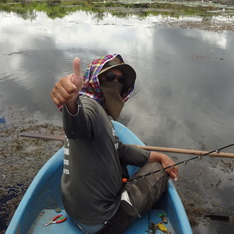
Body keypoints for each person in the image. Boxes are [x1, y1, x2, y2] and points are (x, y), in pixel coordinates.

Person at [50, 54, 178, 233]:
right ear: (95, 79)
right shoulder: (89, 106)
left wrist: (158, 155)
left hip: (74, 213)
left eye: (121, 79)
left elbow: (119, 148)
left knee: (145, 161)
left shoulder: (101, 112)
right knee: (157, 170)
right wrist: (71, 102)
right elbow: (76, 129)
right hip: (105, 221)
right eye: (109, 77)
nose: (116, 82)